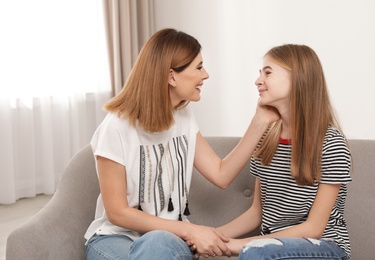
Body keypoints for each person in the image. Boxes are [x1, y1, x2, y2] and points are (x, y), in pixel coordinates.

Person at [84, 28, 279, 260]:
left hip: (168, 240)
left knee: (158, 241)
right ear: (171, 76)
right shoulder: (116, 127)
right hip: (116, 239)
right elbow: (117, 212)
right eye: (198, 67)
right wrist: (190, 229)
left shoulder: (183, 116)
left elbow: (221, 174)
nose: (205, 75)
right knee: (155, 242)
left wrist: (259, 121)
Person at [214, 44, 352, 259]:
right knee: (256, 252)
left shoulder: (331, 143)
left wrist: (237, 245)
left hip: (325, 247)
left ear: (298, 79)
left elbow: (314, 228)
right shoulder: (266, 139)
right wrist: (212, 236)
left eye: (267, 73)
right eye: (260, 73)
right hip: (271, 249)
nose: (258, 81)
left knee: (254, 254)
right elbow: (256, 213)